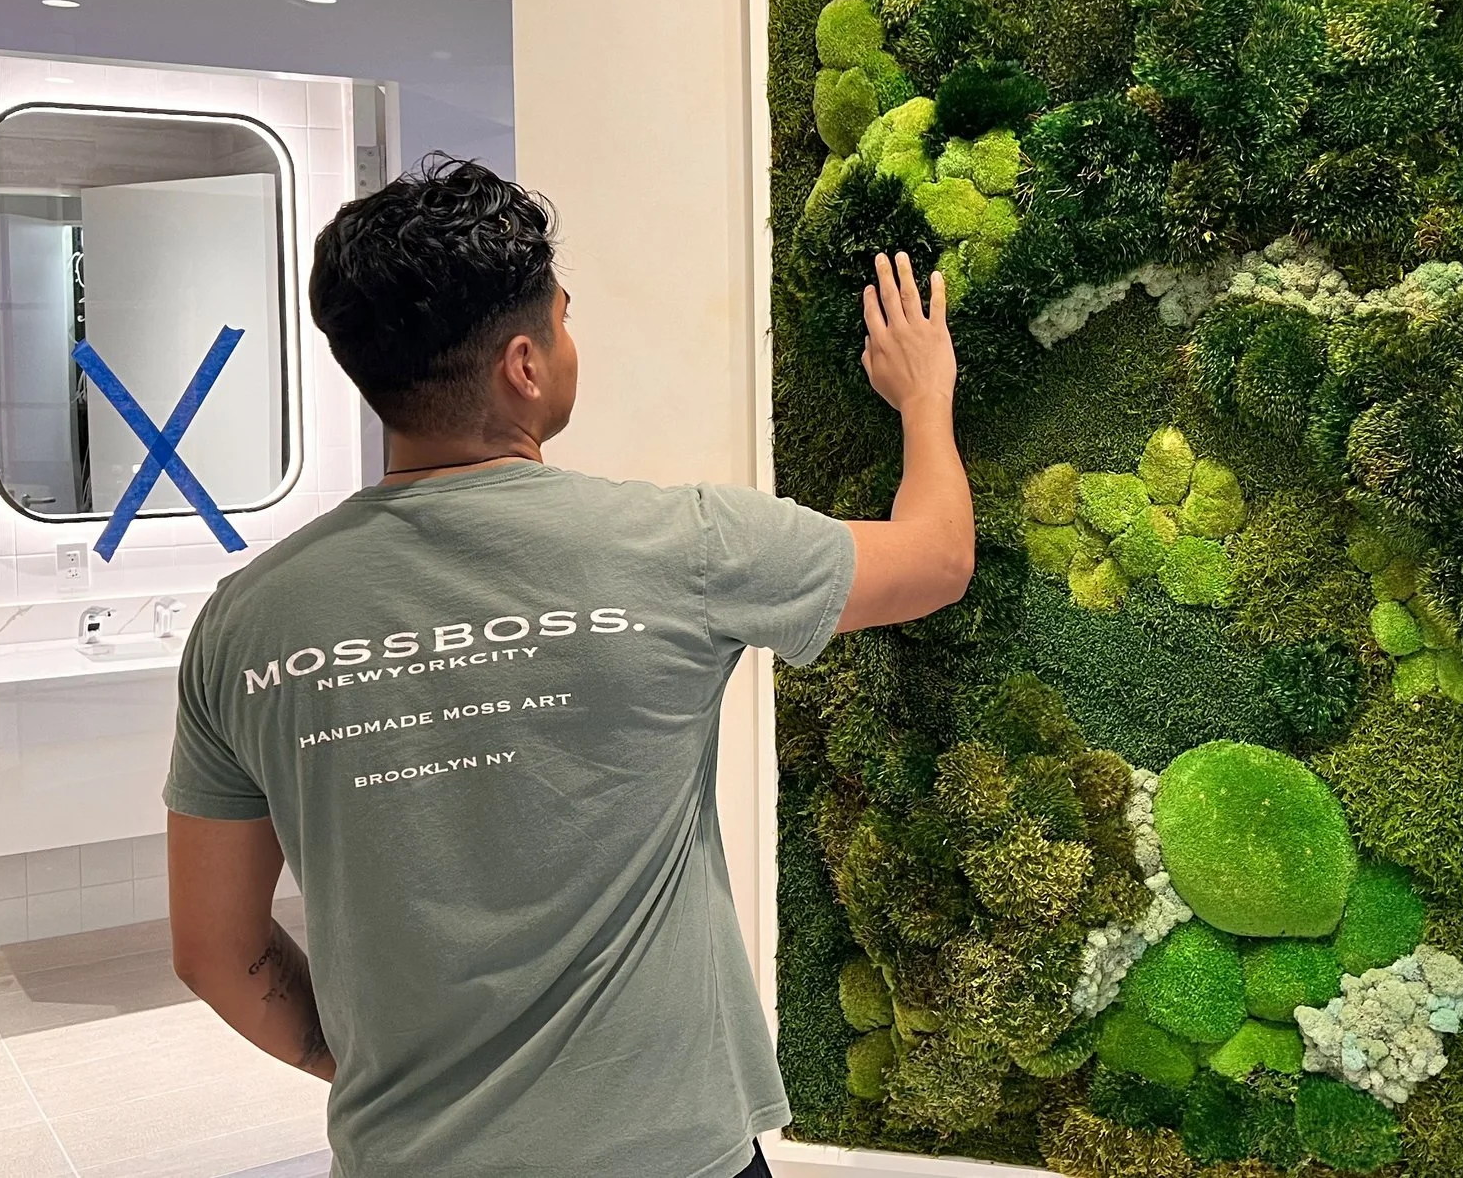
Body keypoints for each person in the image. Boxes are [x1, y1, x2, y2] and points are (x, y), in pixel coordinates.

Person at [162, 156, 970, 1178]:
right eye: (564, 317)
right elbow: (936, 558)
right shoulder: (685, 547)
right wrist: (924, 397)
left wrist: (382, 1073)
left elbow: (212, 949)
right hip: (670, 1156)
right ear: (524, 364)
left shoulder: (248, 623)